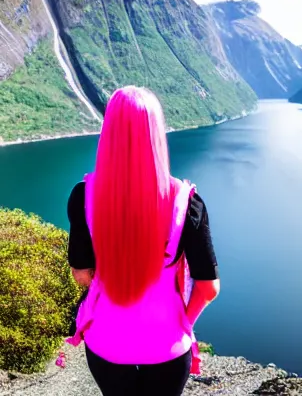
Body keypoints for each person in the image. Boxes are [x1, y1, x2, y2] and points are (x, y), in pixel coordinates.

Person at [65, 86, 220, 396]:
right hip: (168, 348)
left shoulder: (83, 196)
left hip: (106, 346)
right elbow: (208, 288)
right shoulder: (187, 203)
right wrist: (183, 323)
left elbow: (82, 275)